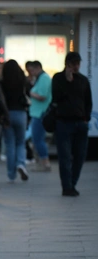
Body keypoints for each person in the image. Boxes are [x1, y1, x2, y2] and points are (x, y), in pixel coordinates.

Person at [52, 52, 93, 197]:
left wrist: (86, 118)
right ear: (67, 64)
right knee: (65, 156)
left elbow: (88, 101)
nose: (76, 66)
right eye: (73, 64)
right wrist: (67, 81)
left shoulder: (82, 80)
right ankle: (67, 186)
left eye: (78, 63)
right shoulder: (58, 79)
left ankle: (73, 183)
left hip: (80, 123)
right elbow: (56, 97)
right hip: (63, 123)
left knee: (80, 156)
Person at [0, 59, 30, 183]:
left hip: (7, 114)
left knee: (9, 144)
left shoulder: (2, 82)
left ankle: (11, 174)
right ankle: (21, 164)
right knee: (21, 142)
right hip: (21, 113)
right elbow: (28, 94)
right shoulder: (23, 81)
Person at [25, 60, 52, 171]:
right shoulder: (40, 78)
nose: (32, 72)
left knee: (38, 139)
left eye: (33, 70)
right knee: (37, 139)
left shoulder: (44, 78)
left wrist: (30, 93)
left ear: (37, 68)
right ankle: (41, 162)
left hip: (41, 113)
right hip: (37, 112)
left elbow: (42, 96)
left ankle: (45, 162)